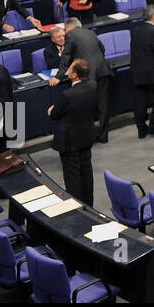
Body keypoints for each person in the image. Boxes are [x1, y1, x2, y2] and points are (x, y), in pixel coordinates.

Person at [47, 60, 98, 207]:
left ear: (74, 75)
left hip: (69, 141)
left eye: (69, 69)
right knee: (86, 173)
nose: (67, 71)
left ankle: (77, 208)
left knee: (72, 177)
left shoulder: (67, 95)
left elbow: (54, 114)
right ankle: (89, 206)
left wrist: (52, 109)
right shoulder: (93, 85)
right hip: (85, 136)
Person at [60, 18, 112, 141]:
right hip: (103, 71)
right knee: (103, 105)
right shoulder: (90, 32)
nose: (64, 32)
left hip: (87, 74)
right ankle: (104, 136)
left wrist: (58, 76)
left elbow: (65, 58)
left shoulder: (71, 35)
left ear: (70, 28)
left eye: (65, 30)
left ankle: (89, 136)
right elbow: (102, 49)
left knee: (86, 105)